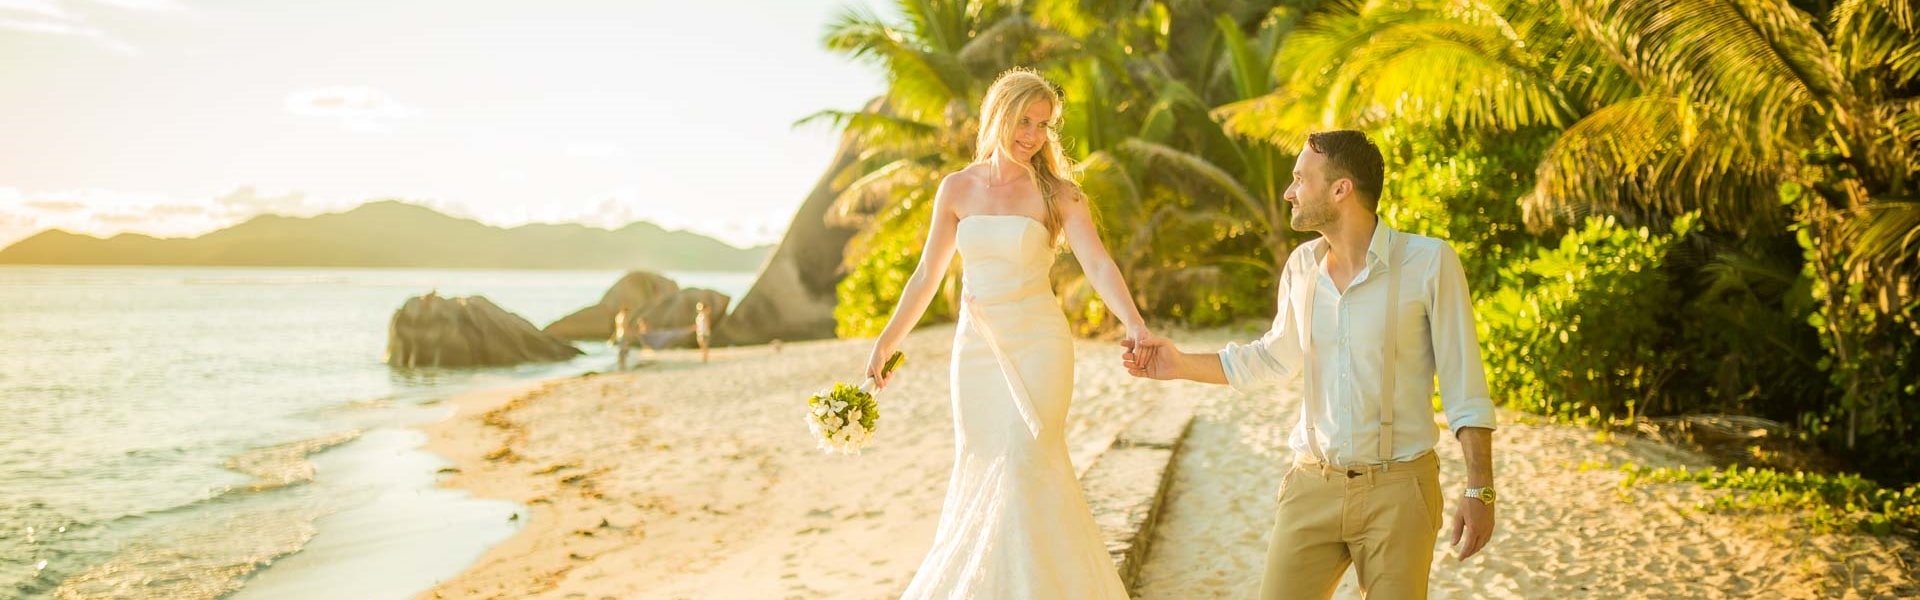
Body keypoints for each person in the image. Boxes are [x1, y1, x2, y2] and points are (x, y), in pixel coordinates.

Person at [1122, 130, 1497, 599]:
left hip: (1400, 491)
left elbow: (1465, 385)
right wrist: (1178, 363)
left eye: (1301, 179)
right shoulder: (1301, 266)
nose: (1289, 192)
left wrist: (1480, 489)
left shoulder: (1429, 262)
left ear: (1341, 190)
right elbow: (1271, 358)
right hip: (1311, 485)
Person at [861, 67, 1154, 599]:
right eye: (1024, 120)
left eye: (1043, 125)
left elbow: (1098, 263)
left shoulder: (1059, 194)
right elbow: (927, 274)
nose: (1033, 135)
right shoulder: (955, 188)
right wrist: (887, 341)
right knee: (982, 463)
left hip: (1040, 343)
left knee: (1027, 459)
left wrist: (1134, 323)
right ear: (998, 114)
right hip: (975, 353)